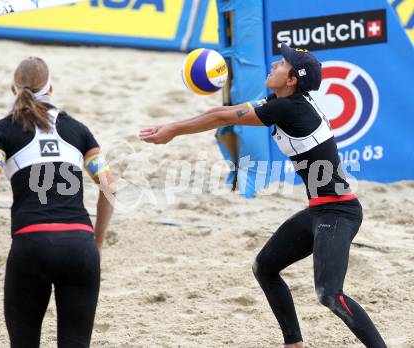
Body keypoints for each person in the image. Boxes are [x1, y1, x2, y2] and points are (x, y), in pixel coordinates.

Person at [139, 44, 387, 348]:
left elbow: (222, 116)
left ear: (292, 79)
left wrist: (173, 129)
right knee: (265, 268)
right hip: (319, 210)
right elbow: (226, 113)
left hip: (340, 212)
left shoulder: (289, 108)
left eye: (282, 63)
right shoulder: (283, 101)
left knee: (329, 295)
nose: (274, 65)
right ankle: (293, 344)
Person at [0, 57, 116, 348]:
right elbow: (109, 186)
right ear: (51, 88)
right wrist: (97, 243)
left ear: (13, 89)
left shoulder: (1, 130)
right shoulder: (78, 130)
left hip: (31, 244)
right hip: (80, 244)